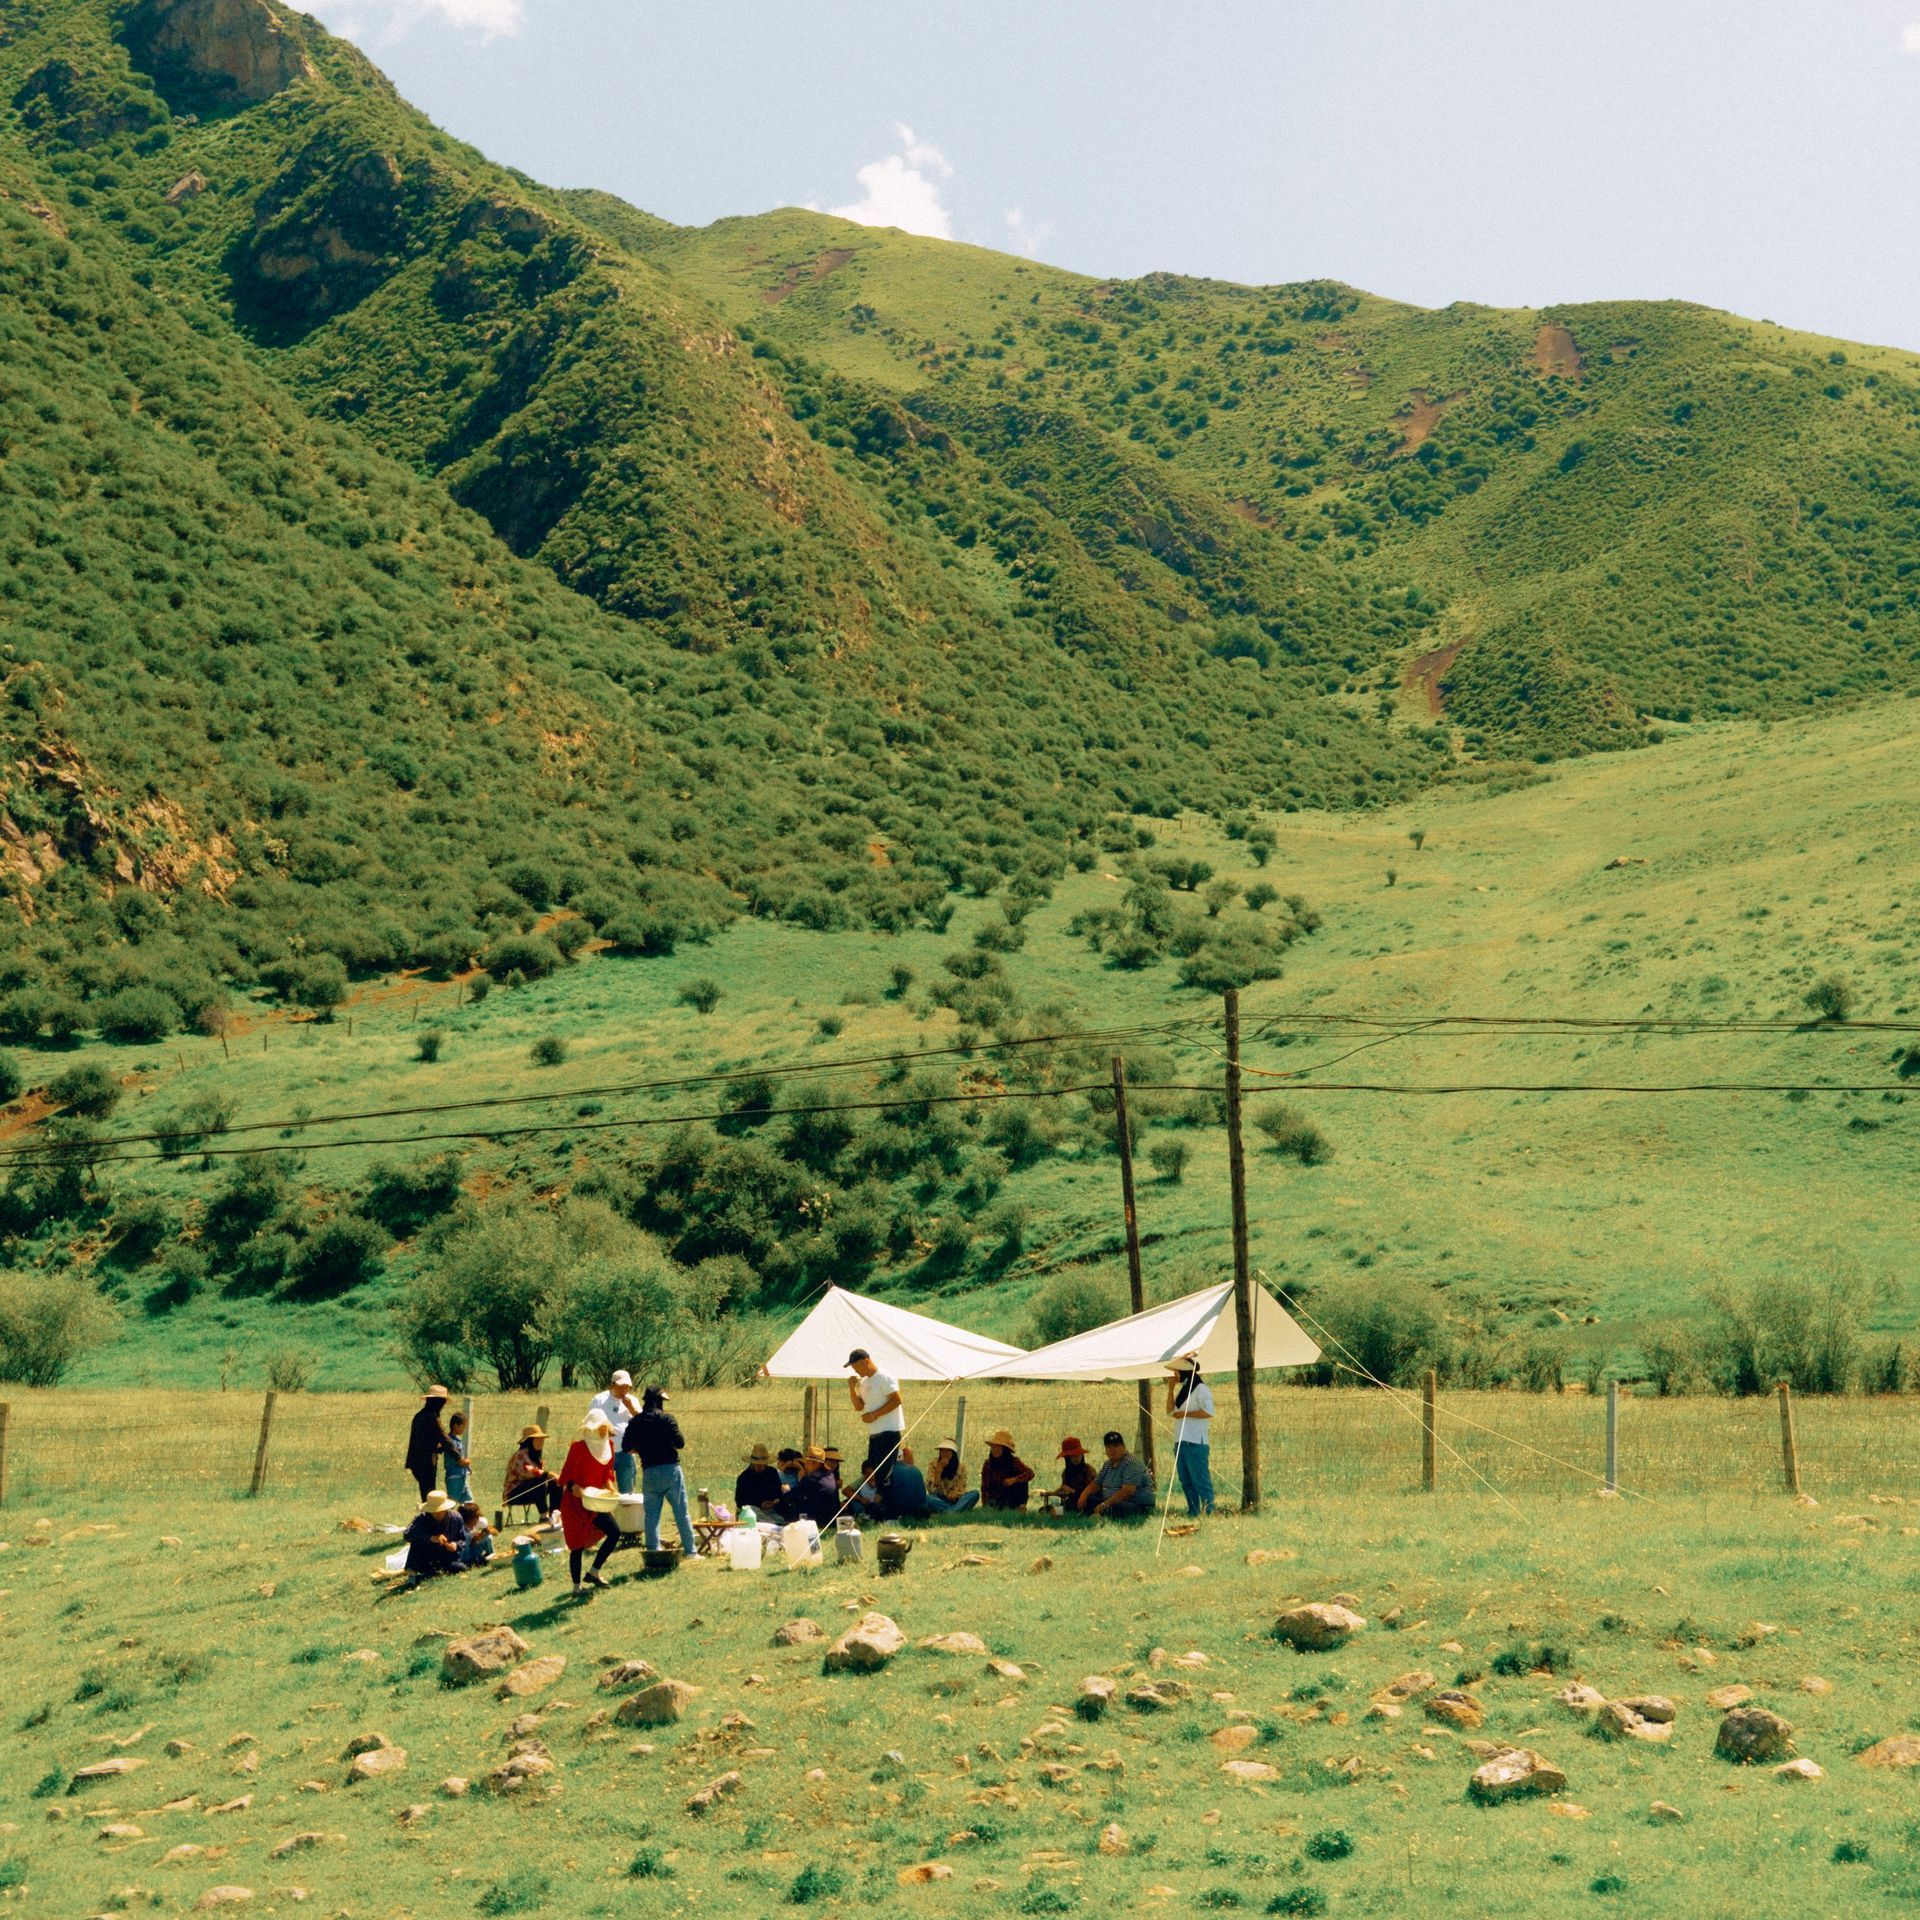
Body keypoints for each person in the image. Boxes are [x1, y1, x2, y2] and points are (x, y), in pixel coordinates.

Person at [624, 1385, 697, 1554]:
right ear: (658, 1401)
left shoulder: (635, 1421)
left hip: (649, 1471)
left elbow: (626, 1447)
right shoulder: (667, 1419)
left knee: (651, 1515)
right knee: (681, 1513)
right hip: (671, 1471)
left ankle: (653, 1551)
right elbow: (680, 1443)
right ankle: (691, 1551)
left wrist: (641, 1448)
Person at [558, 1410, 621, 1593]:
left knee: (614, 1532)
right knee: (576, 1545)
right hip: (575, 1503)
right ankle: (577, 1587)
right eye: (600, 1428)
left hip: (595, 1501)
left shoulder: (608, 1445)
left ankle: (594, 1571)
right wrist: (573, 1486)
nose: (603, 1432)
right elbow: (566, 1474)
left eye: (604, 1428)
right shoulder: (578, 1448)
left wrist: (609, 1485)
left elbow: (607, 1472)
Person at [846, 1348, 904, 1513]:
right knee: (876, 1474)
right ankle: (879, 1512)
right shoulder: (864, 1383)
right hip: (875, 1434)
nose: (855, 1370)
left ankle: (892, 1513)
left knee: (885, 1474)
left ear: (866, 1361)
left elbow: (897, 1400)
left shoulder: (884, 1377)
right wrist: (852, 1388)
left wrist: (874, 1415)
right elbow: (859, 1407)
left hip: (889, 1431)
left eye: (856, 1366)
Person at [1166, 1356, 1215, 1517]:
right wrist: (1170, 1389)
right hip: (1181, 1440)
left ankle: (1208, 1511)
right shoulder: (1184, 1389)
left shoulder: (1201, 1389)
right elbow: (1170, 1412)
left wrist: (1185, 1414)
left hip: (1196, 1441)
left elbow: (1208, 1411)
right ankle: (1193, 1510)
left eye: (1176, 1372)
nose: (1175, 1376)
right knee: (1186, 1480)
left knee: (1200, 1479)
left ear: (1184, 1372)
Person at [587, 1370, 643, 1494]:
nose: (624, 1390)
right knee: (602, 1491)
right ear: (612, 1385)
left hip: (626, 1452)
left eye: (627, 1387)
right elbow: (590, 1422)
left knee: (627, 1493)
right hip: (604, 1452)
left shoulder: (632, 1401)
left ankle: (626, 1513)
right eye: (621, 1386)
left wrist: (631, 1409)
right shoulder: (599, 1400)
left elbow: (643, 1423)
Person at [1083, 1429, 1155, 1518]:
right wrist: (1084, 1495)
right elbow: (1096, 1484)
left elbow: (1128, 1492)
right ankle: (1099, 1513)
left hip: (1136, 1503)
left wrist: (1105, 1504)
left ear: (1123, 1446)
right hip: (1112, 1501)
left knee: (1118, 1507)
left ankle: (1101, 1514)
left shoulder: (1131, 1463)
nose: (1112, 1450)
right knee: (1089, 1500)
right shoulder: (1107, 1464)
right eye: (1108, 1447)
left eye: (1116, 1446)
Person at [404, 1386, 459, 1502]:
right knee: (429, 1496)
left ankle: (428, 1517)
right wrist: (458, 1457)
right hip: (426, 1461)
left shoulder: (420, 1415)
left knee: (427, 1494)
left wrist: (438, 1446)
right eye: (442, 1402)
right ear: (438, 1403)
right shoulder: (432, 1417)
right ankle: (428, 1518)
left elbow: (427, 1439)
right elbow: (444, 1438)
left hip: (416, 1461)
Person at [403, 1489, 464, 1581]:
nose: (437, 1514)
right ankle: (415, 1574)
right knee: (416, 1542)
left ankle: (428, 1575)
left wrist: (455, 1544)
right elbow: (407, 1535)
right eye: (434, 1511)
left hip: (446, 1556)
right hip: (425, 1556)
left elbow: (462, 1539)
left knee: (460, 1568)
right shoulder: (421, 1519)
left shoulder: (456, 1518)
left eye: (440, 1510)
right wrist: (430, 1538)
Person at [502, 1424, 558, 1519]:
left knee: (555, 1482)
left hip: (530, 1490)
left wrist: (553, 1477)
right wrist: (549, 1474)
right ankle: (544, 1516)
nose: (540, 1442)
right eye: (537, 1439)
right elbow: (530, 1471)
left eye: (542, 1440)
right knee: (540, 1480)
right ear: (529, 1441)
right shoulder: (521, 1455)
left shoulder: (536, 1456)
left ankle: (555, 1514)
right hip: (514, 1494)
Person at [980, 1429, 1036, 1510]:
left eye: (998, 1447)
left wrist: (1014, 1480)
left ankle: (1020, 1506)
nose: (995, 1450)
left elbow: (1030, 1473)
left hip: (1012, 1496)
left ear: (1005, 1450)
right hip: (995, 1499)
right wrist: (985, 1505)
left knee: (1022, 1482)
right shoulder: (988, 1464)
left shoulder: (1014, 1462)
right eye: (994, 1447)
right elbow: (984, 1487)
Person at [1045, 1436, 1098, 1513]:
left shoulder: (1089, 1470)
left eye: (1078, 1455)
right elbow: (1065, 1490)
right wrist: (1056, 1492)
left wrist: (1072, 1491)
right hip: (1072, 1501)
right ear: (1067, 1458)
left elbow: (1093, 1492)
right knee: (1046, 1509)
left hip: (1087, 1502)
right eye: (1073, 1456)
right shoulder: (1066, 1472)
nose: (1076, 1458)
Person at [790, 1444, 840, 1526]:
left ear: (816, 1464)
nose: (805, 1465)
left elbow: (795, 1496)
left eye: (808, 1463)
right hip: (831, 1518)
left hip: (818, 1519)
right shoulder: (830, 1474)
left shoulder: (811, 1479)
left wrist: (786, 1490)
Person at [925, 1441, 978, 1514]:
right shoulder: (933, 1465)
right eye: (943, 1451)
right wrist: (939, 1469)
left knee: (975, 1494)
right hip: (939, 1498)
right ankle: (954, 1510)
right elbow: (931, 1489)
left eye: (948, 1451)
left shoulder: (961, 1467)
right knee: (927, 1498)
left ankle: (950, 1510)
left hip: (956, 1500)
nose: (945, 1453)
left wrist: (954, 1494)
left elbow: (961, 1486)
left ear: (953, 1453)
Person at [735, 1442, 784, 1518]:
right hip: (753, 1510)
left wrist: (776, 1500)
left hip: (772, 1510)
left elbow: (778, 1491)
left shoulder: (772, 1472)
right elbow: (740, 1501)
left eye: (763, 1465)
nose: (761, 1468)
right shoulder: (744, 1478)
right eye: (758, 1465)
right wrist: (759, 1504)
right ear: (752, 1463)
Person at [886, 1444, 929, 1520]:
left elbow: (885, 1492)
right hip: (921, 1509)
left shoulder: (891, 1471)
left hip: (903, 1510)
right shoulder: (916, 1469)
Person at [444, 1411, 473, 1506]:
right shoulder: (450, 1441)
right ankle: (447, 1520)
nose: (464, 1430)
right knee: (451, 1504)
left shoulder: (457, 1440)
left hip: (462, 1477)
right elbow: (459, 1460)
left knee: (469, 1503)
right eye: (462, 1427)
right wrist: (466, 1461)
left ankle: (468, 1519)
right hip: (454, 1479)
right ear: (456, 1426)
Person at [457, 1500, 495, 1568]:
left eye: (475, 1520)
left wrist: (482, 1535)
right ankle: (467, 1561)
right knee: (466, 1538)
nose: (473, 1524)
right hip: (464, 1551)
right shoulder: (459, 1525)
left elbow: (494, 1531)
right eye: (470, 1522)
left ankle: (491, 1555)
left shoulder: (481, 1521)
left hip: (475, 1547)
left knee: (488, 1537)